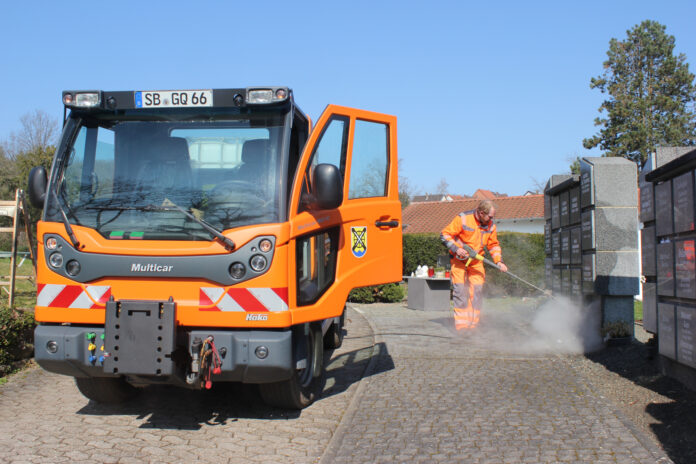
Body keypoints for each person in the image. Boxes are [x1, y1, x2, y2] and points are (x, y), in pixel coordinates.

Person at [440, 200, 507, 330]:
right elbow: (445, 234)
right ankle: (461, 327)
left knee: (476, 292)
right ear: (481, 213)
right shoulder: (463, 218)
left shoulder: (491, 226)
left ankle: (472, 326)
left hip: (476, 262)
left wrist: (499, 261)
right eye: (490, 216)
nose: (492, 219)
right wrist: (456, 249)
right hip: (459, 261)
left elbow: (493, 245)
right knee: (460, 292)